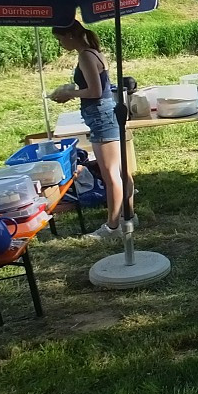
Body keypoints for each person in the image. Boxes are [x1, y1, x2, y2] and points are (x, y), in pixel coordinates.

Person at [49, 20, 135, 240]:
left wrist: (70, 94)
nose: (61, 44)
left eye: (60, 39)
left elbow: (95, 91)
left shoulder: (85, 55)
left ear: (69, 35)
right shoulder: (94, 52)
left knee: (111, 175)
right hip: (105, 113)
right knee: (122, 171)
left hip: (101, 116)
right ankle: (129, 216)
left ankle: (112, 227)